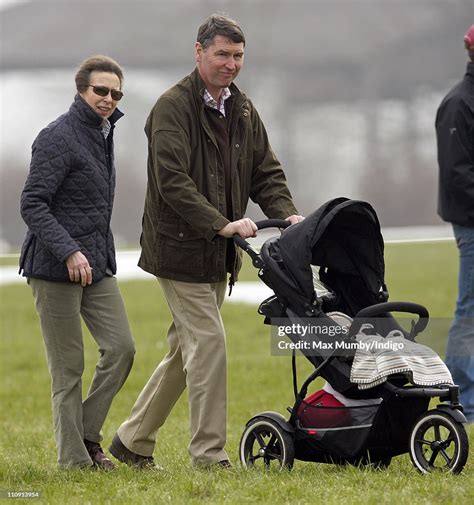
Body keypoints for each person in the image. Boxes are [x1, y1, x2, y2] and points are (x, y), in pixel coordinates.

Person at [109, 14, 303, 468]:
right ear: (198, 53)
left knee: (185, 351)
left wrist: (288, 211)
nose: (231, 64)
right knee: (209, 344)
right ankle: (208, 454)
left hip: (217, 253)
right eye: (222, 54)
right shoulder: (171, 107)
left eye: (237, 56)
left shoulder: (243, 108)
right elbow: (171, 181)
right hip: (178, 249)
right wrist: (222, 223)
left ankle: (132, 441)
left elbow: (265, 171)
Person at [19, 55, 136, 468]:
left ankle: (86, 434)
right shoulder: (56, 136)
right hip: (53, 268)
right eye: (100, 90)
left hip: (97, 265)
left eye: (115, 93)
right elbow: (32, 204)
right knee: (68, 369)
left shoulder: (104, 133)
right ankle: (75, 461)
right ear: (81, 90)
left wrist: (93, 254)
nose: (108, 99)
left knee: (122, 349)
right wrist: (68, 250)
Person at [435, 25, 474, 422]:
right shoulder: (458, 104)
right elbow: (457, 177)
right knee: (470, 312)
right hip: (471, 225)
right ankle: (460, 398)